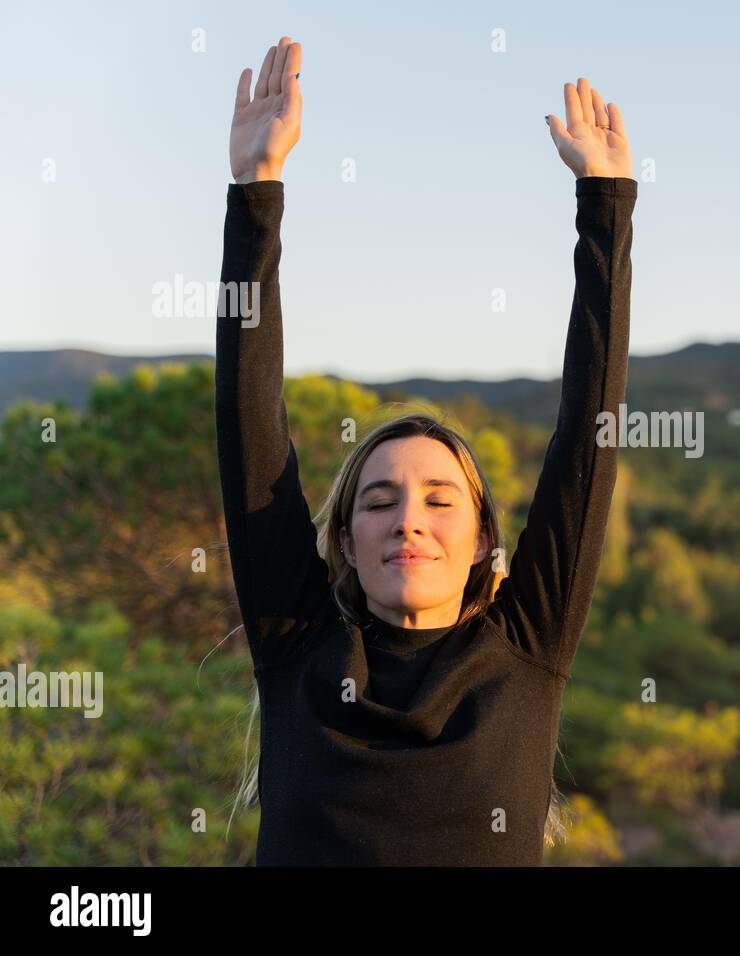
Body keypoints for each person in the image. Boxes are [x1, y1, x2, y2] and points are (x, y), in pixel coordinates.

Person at [215, 36, 637, 865]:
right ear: (344, 538)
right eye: (378, 500)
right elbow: (248, 430)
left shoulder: (525, 647)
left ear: (485, 538)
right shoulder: (298, 644)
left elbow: (590, 427)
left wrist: (606, 204)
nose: (409, 518)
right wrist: (255, 192)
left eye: (442, 499)